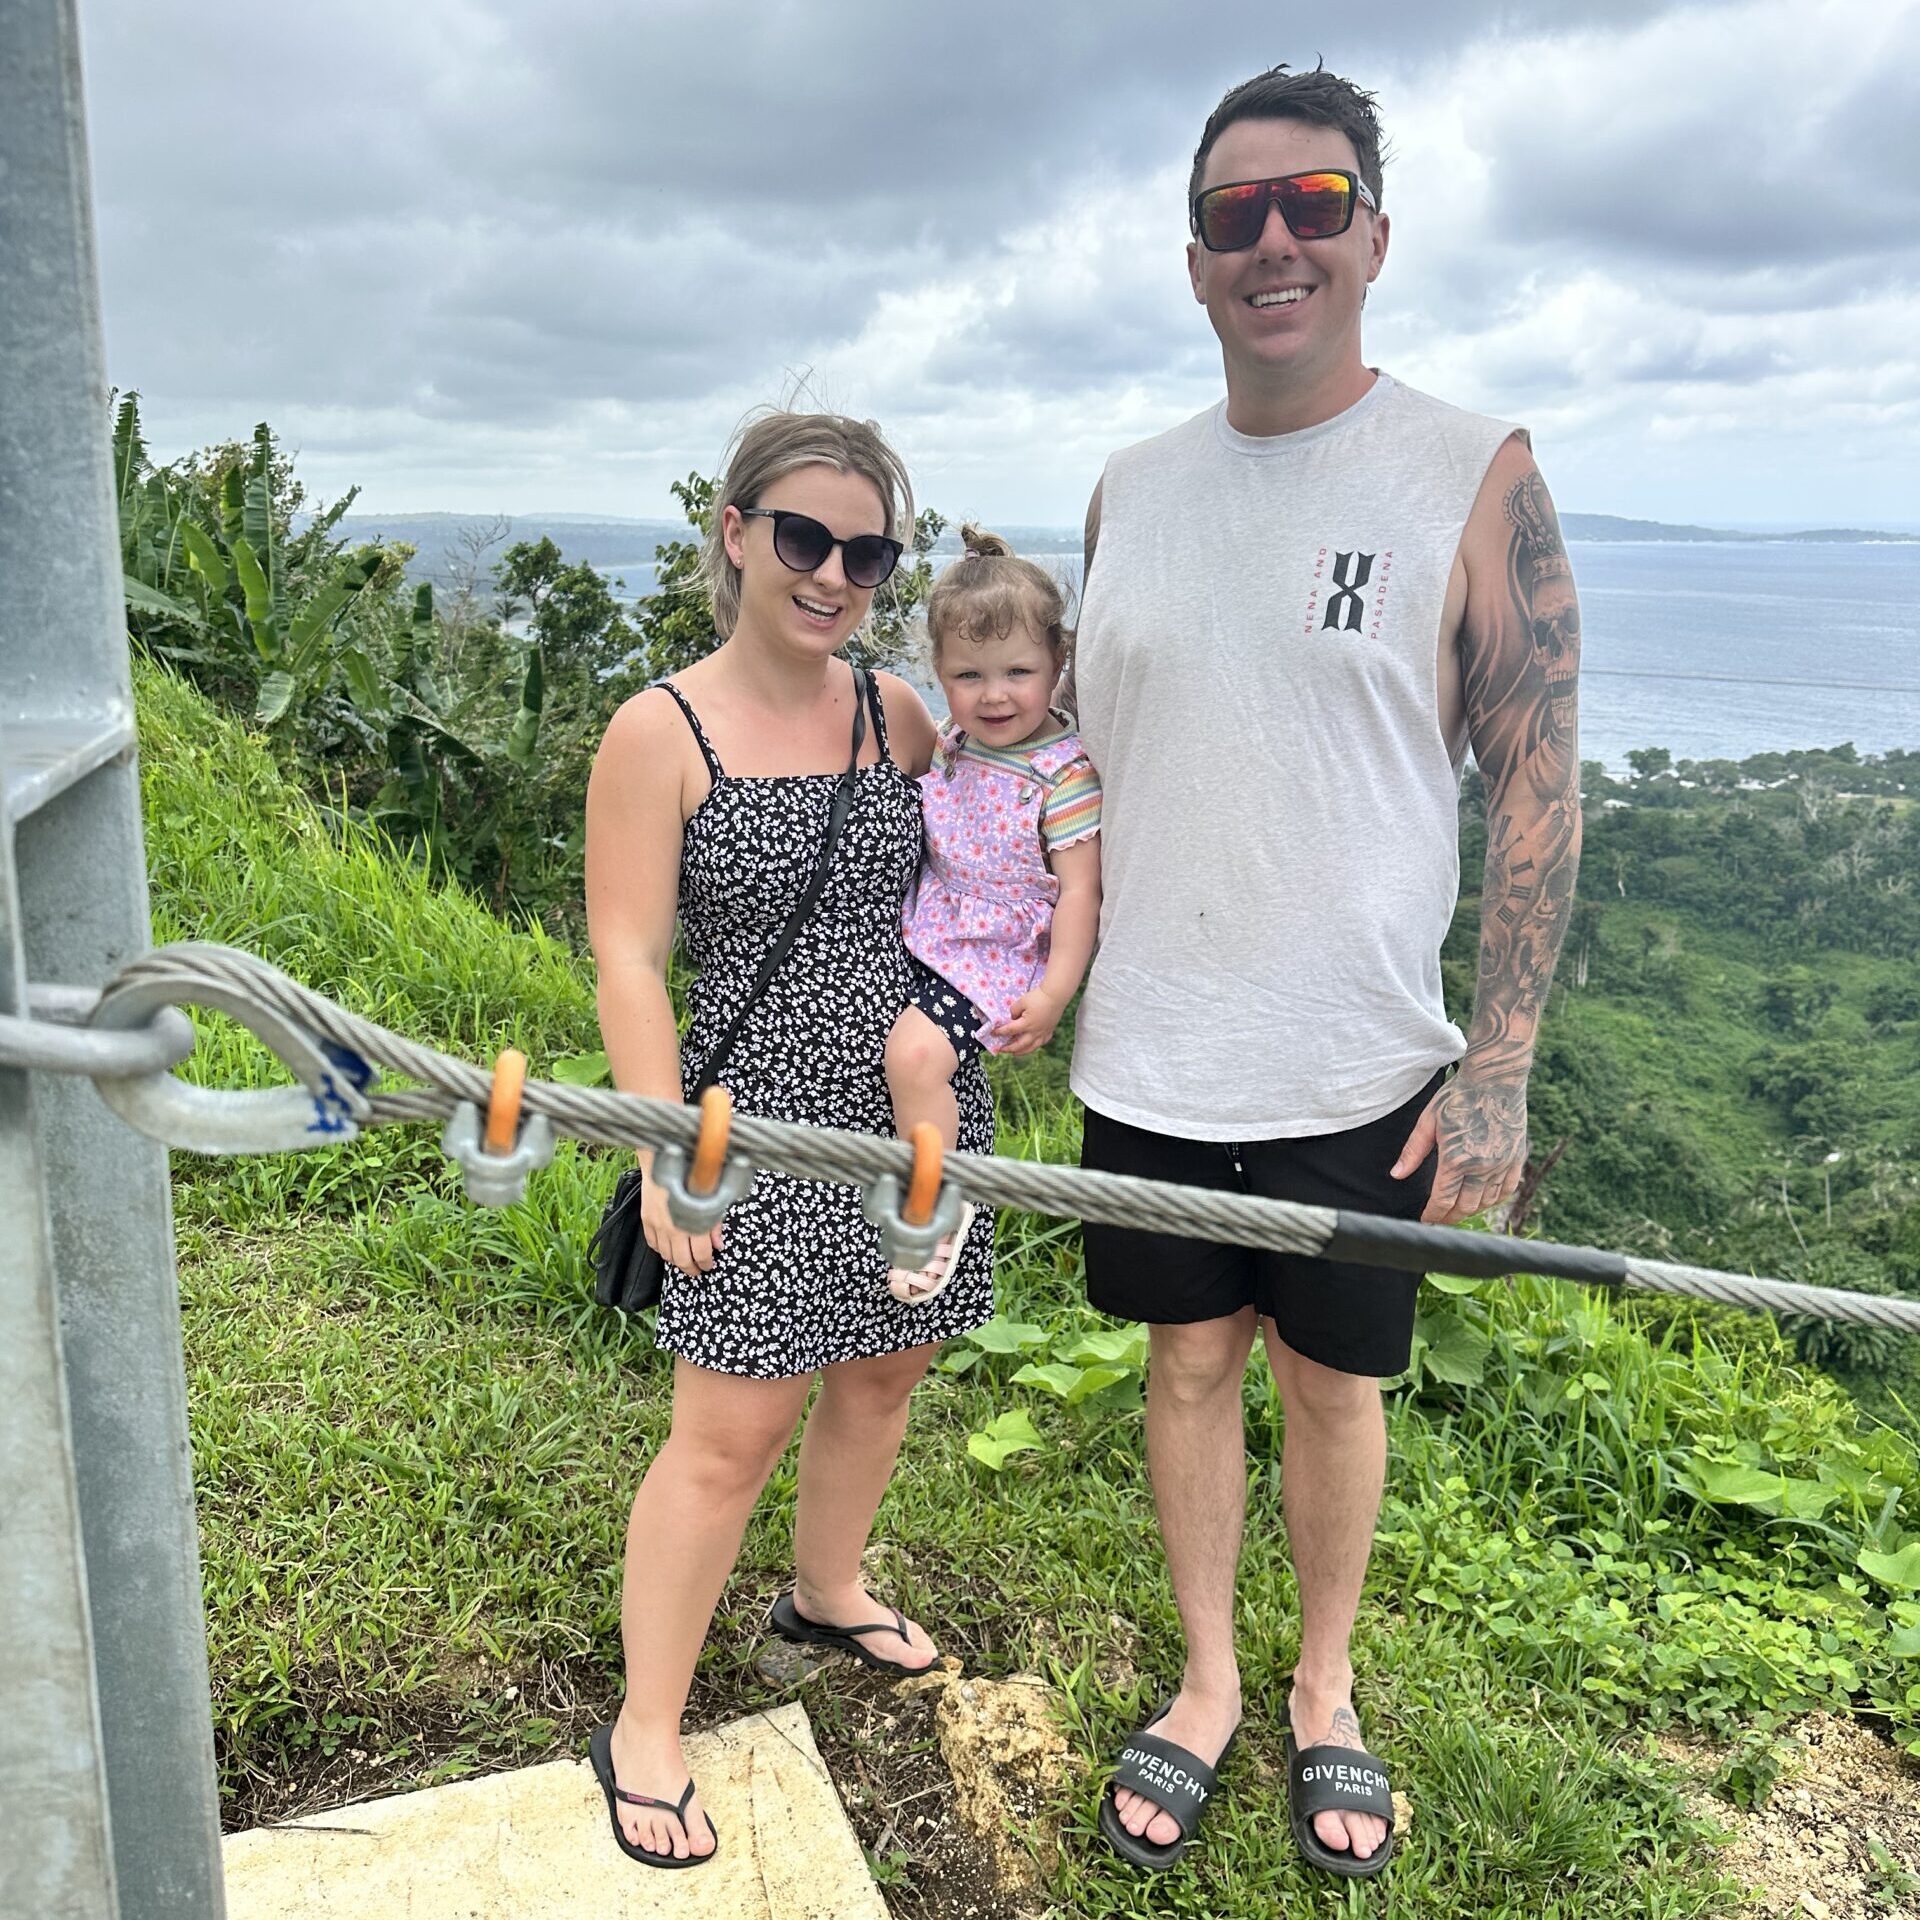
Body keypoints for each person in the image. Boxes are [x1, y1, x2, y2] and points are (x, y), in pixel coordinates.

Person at [1072, 64, 1583, 1878]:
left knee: (1329, 1386)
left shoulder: (1471, 472)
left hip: (1363, 1062)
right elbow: (1079, 766)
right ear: (1195, 255)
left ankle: (1323, 1687)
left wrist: (1501, 1063)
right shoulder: (1128, 490)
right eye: (1235, 213)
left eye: (1314, 203)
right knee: (1186, 1371)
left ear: (1374, 232)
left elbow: (1538, 772)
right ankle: (1208, 1678)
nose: (1275, 239)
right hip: (1146, 1051)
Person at [582, 410, 994, 1869]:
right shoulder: (662, 728)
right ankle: (645, 1722)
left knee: (883, 1372)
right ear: (738, 531)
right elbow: (629, 957)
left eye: (867, 553)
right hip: (744, 1122)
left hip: (908, 1115)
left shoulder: (902, 715)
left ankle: (828, 1586)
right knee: (730, 1430)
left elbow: (982, 873)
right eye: (806, 539)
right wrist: (659, 1149)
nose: (833, 575)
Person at [882, 525, 1103, 1300]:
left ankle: (940, 1200)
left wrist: (1052, 993)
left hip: (994, 947)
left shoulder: (1063, 775)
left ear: (1056, 666)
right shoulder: (953, 742)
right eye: (969, 675)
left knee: (912, 1060)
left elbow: (1080, 892)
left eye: (1019, 671)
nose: (995, 694)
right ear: (939, 674)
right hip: (929, 922)